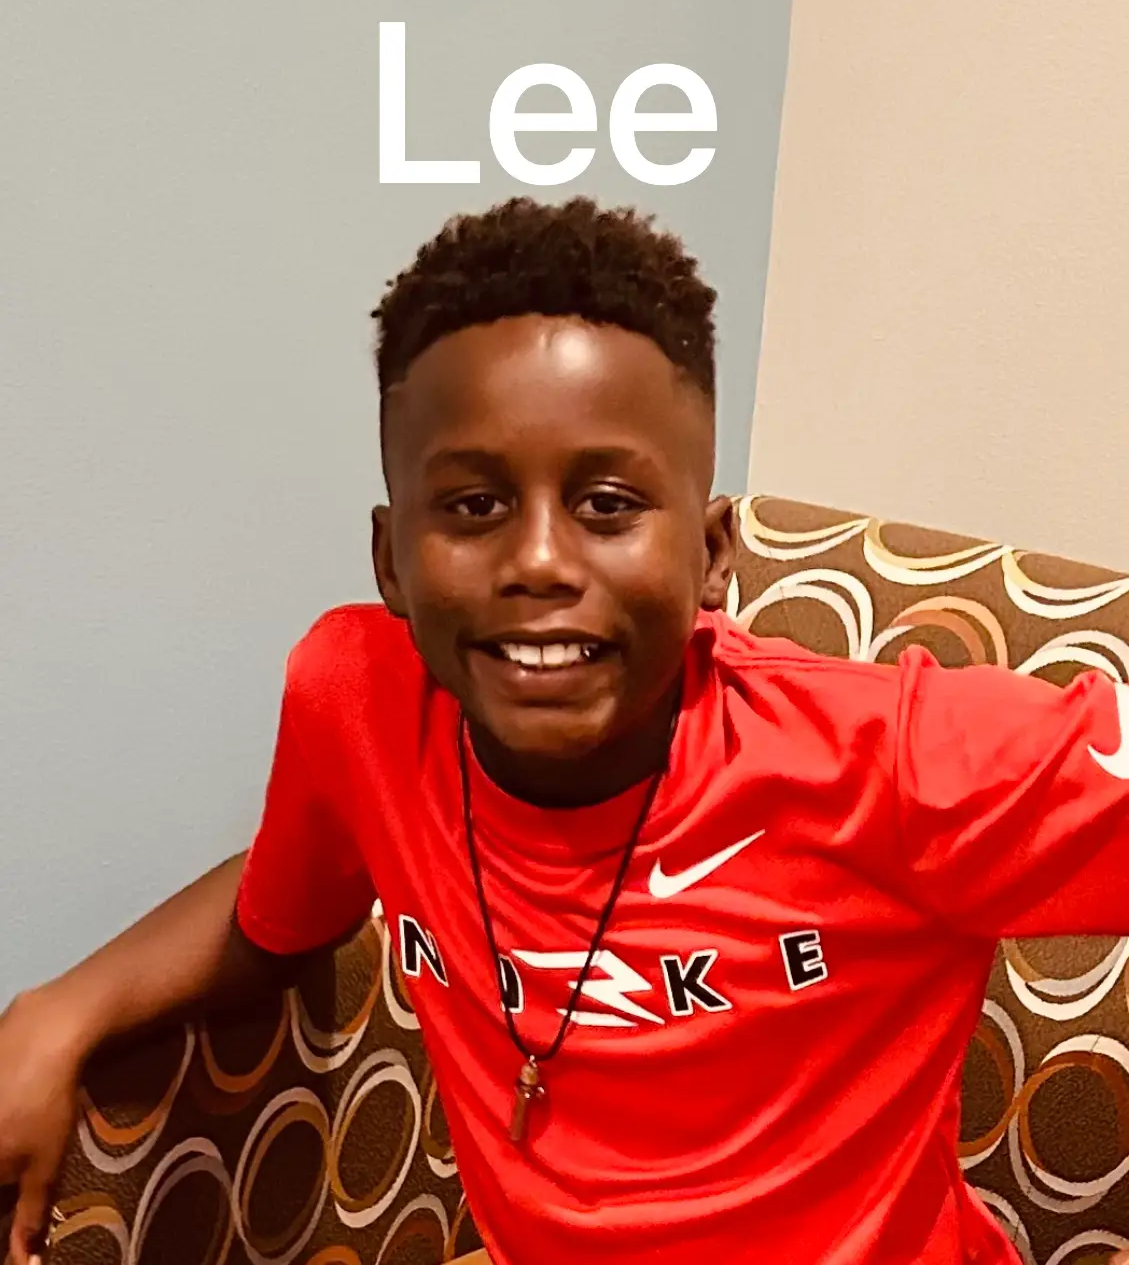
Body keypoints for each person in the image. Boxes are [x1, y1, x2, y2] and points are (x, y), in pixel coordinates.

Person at [4, 195, 1129, 1265]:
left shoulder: (892, 760)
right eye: (475, 505)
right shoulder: (356, 698)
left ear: (710, 555)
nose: (539, 561)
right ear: (390, 560)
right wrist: (66, 1007)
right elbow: (283, 908)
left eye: (607, 504)